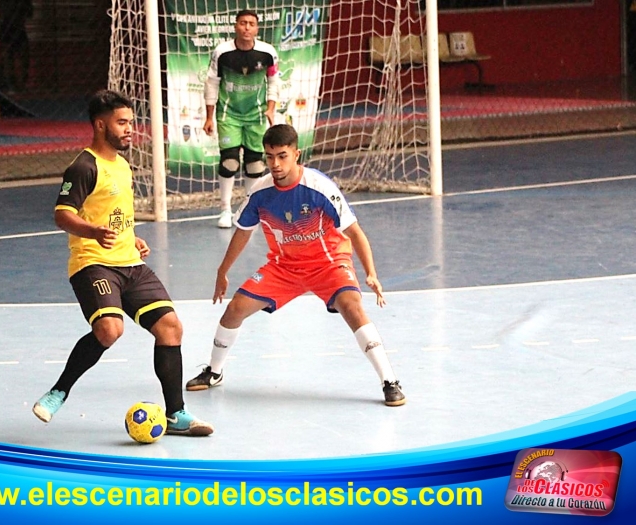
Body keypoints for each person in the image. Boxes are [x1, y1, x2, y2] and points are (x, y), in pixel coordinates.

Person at [33, 90, 214, 436]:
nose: (131, 129)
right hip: (94, 263)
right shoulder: (84, 166)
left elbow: (115, 215)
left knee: (170, 327)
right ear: (101, 125)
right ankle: (59, 391)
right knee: (109, 329)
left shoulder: (123, 164)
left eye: (131, 122)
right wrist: (93, 232)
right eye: (122, 122)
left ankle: (176, 415)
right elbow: (62, 215)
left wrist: (131, 237)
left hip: (129, 262)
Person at [186, 124, 405, 407]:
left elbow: (355, 232)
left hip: (328, 263)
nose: (275, 164)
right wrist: (222, 270)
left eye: (282, 156)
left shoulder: (319, 187)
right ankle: (214, 372)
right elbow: (242, 231)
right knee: (235, 308)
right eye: (269, 157)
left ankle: (389, 381)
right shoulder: (260, 192)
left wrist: (371, 273)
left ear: (296, 154)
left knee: (352, 306)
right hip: (284, 266)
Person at [203, 9, 279, 228]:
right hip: (229, 114)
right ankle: (225, 210)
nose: (247, 27)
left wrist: (271, 109)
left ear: (257, 28)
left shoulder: (267, 52)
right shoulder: (222, 52)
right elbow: (212, 83)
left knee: (255, 164)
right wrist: (209, 117)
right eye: (243, 23)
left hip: (255, 115)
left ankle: (249, 208)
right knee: (230, 161)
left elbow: (274, 81)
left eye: (251, 23)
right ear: (236, 26)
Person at [0, 0, 33, 92]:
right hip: (9, 27)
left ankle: (18, 85)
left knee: (22, 57)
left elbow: (29, 13)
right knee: (8, 57)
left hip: (17, 27)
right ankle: (11, 84)